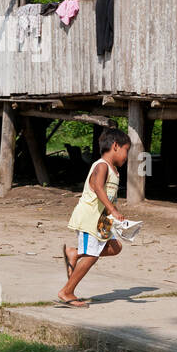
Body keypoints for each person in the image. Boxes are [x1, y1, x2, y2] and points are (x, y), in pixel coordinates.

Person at [58, 128, 130, 307]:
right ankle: (67, 291)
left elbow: (108, 195)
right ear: (115, 146)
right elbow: (98, 188)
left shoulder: (113, 169)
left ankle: (74, 253)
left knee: (115, 247)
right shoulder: (102, 165)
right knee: (92, 255)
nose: (126, 156)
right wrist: (113, 210)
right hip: (90, 217)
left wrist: (115, 216)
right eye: (126, 150)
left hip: (103, 220)